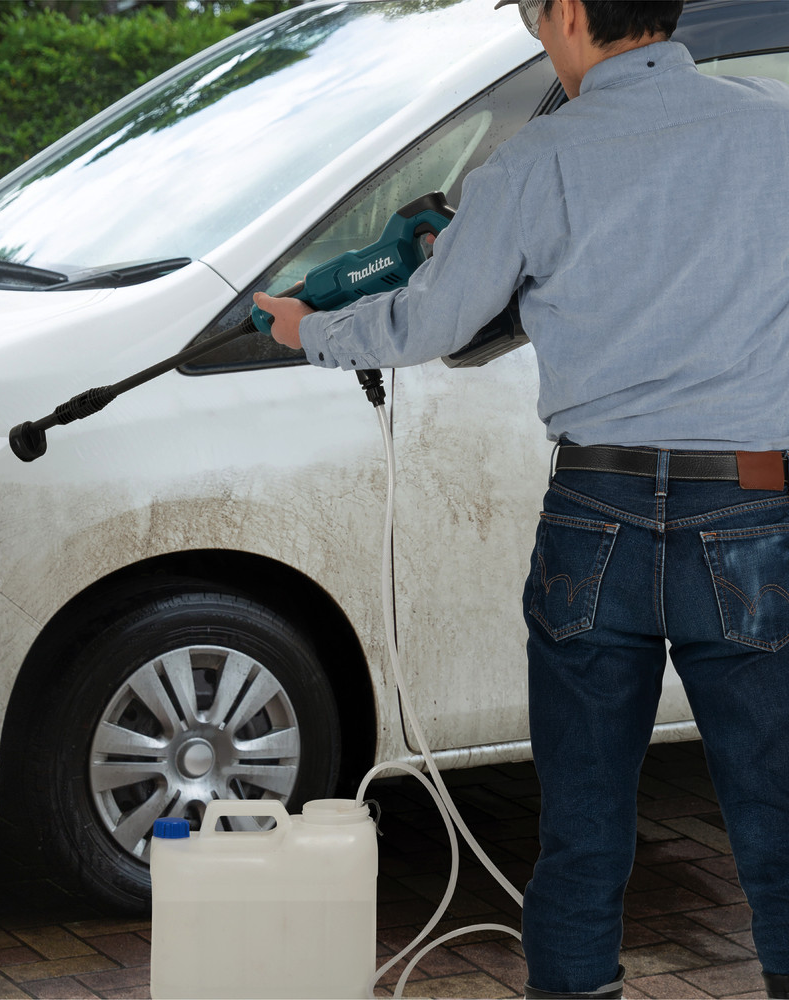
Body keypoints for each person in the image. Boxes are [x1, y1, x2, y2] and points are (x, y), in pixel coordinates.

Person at [254, 1, 789, 997]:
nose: (539, 37)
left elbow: (425, 323)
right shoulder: (776, 130)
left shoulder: (531, 164)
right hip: (751, 510)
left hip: (596, 514)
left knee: (582, 832)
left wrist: (302, 330)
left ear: (573, 13)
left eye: (536, 17)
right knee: (778, 822)